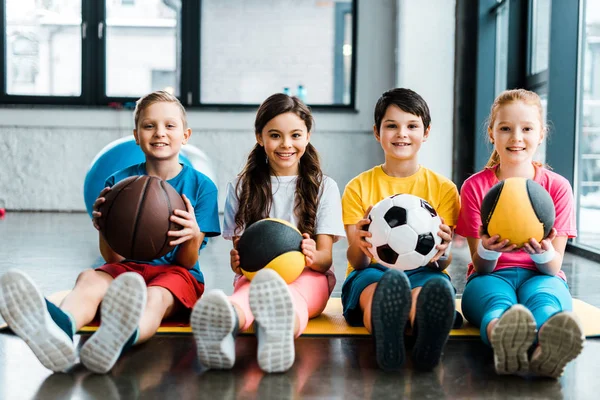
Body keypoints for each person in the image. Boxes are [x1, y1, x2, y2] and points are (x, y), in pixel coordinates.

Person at [0, 90, 220, 374]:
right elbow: (113, 259)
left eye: (169, 126)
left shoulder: (202, 187)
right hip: (127, 268)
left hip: (177, 273)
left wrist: (191, 234)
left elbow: (187, 262)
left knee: (155, 297)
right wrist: (104, 229)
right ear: (137, 135)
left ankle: (121, 338)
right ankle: (60, 330)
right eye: (149, 126)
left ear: (185, 135)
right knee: (89, 279)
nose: (159, 133)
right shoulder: (119, 182)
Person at [191, 93, 345, 373]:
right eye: (275, 135)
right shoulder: (241, 186)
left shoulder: (324, 187)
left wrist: (311, 256)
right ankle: (224, 326)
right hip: (257, 276)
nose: (286, 144)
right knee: (246, 297)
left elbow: (324, 259)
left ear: (307, 136)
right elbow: (241, 254)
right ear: (260, 137)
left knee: (292, 296)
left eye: (295, 135)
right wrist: (237, 262)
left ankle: (279, 333)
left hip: (309, 277)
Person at [455, 88, 585, 378]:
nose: (516, 137)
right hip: (490, 276)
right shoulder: (475, 187)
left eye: (527, 128)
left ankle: (544, 351)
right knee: (496, 303)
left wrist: (544, 252)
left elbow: (554, 266)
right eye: (505, 128)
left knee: (546, 302)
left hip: (542, 275)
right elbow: (481, 265)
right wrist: (489, 249)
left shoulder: (557, 187)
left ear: (541, 134)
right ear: (491, 133)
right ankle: (503, 340)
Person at [341, 88, 459, 371]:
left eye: (412, 126)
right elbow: (357, 261)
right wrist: (360, 241)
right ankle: (386, 333)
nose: (401, 133)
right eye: (391, 125)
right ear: (377, 132)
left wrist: (443, 252)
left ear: (426, 132)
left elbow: (443, 260)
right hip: (371, 271)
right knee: (376, 291)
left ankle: (425, 337)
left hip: (424, 270)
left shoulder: (444, 189)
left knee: (429, 290)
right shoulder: (358, 188)